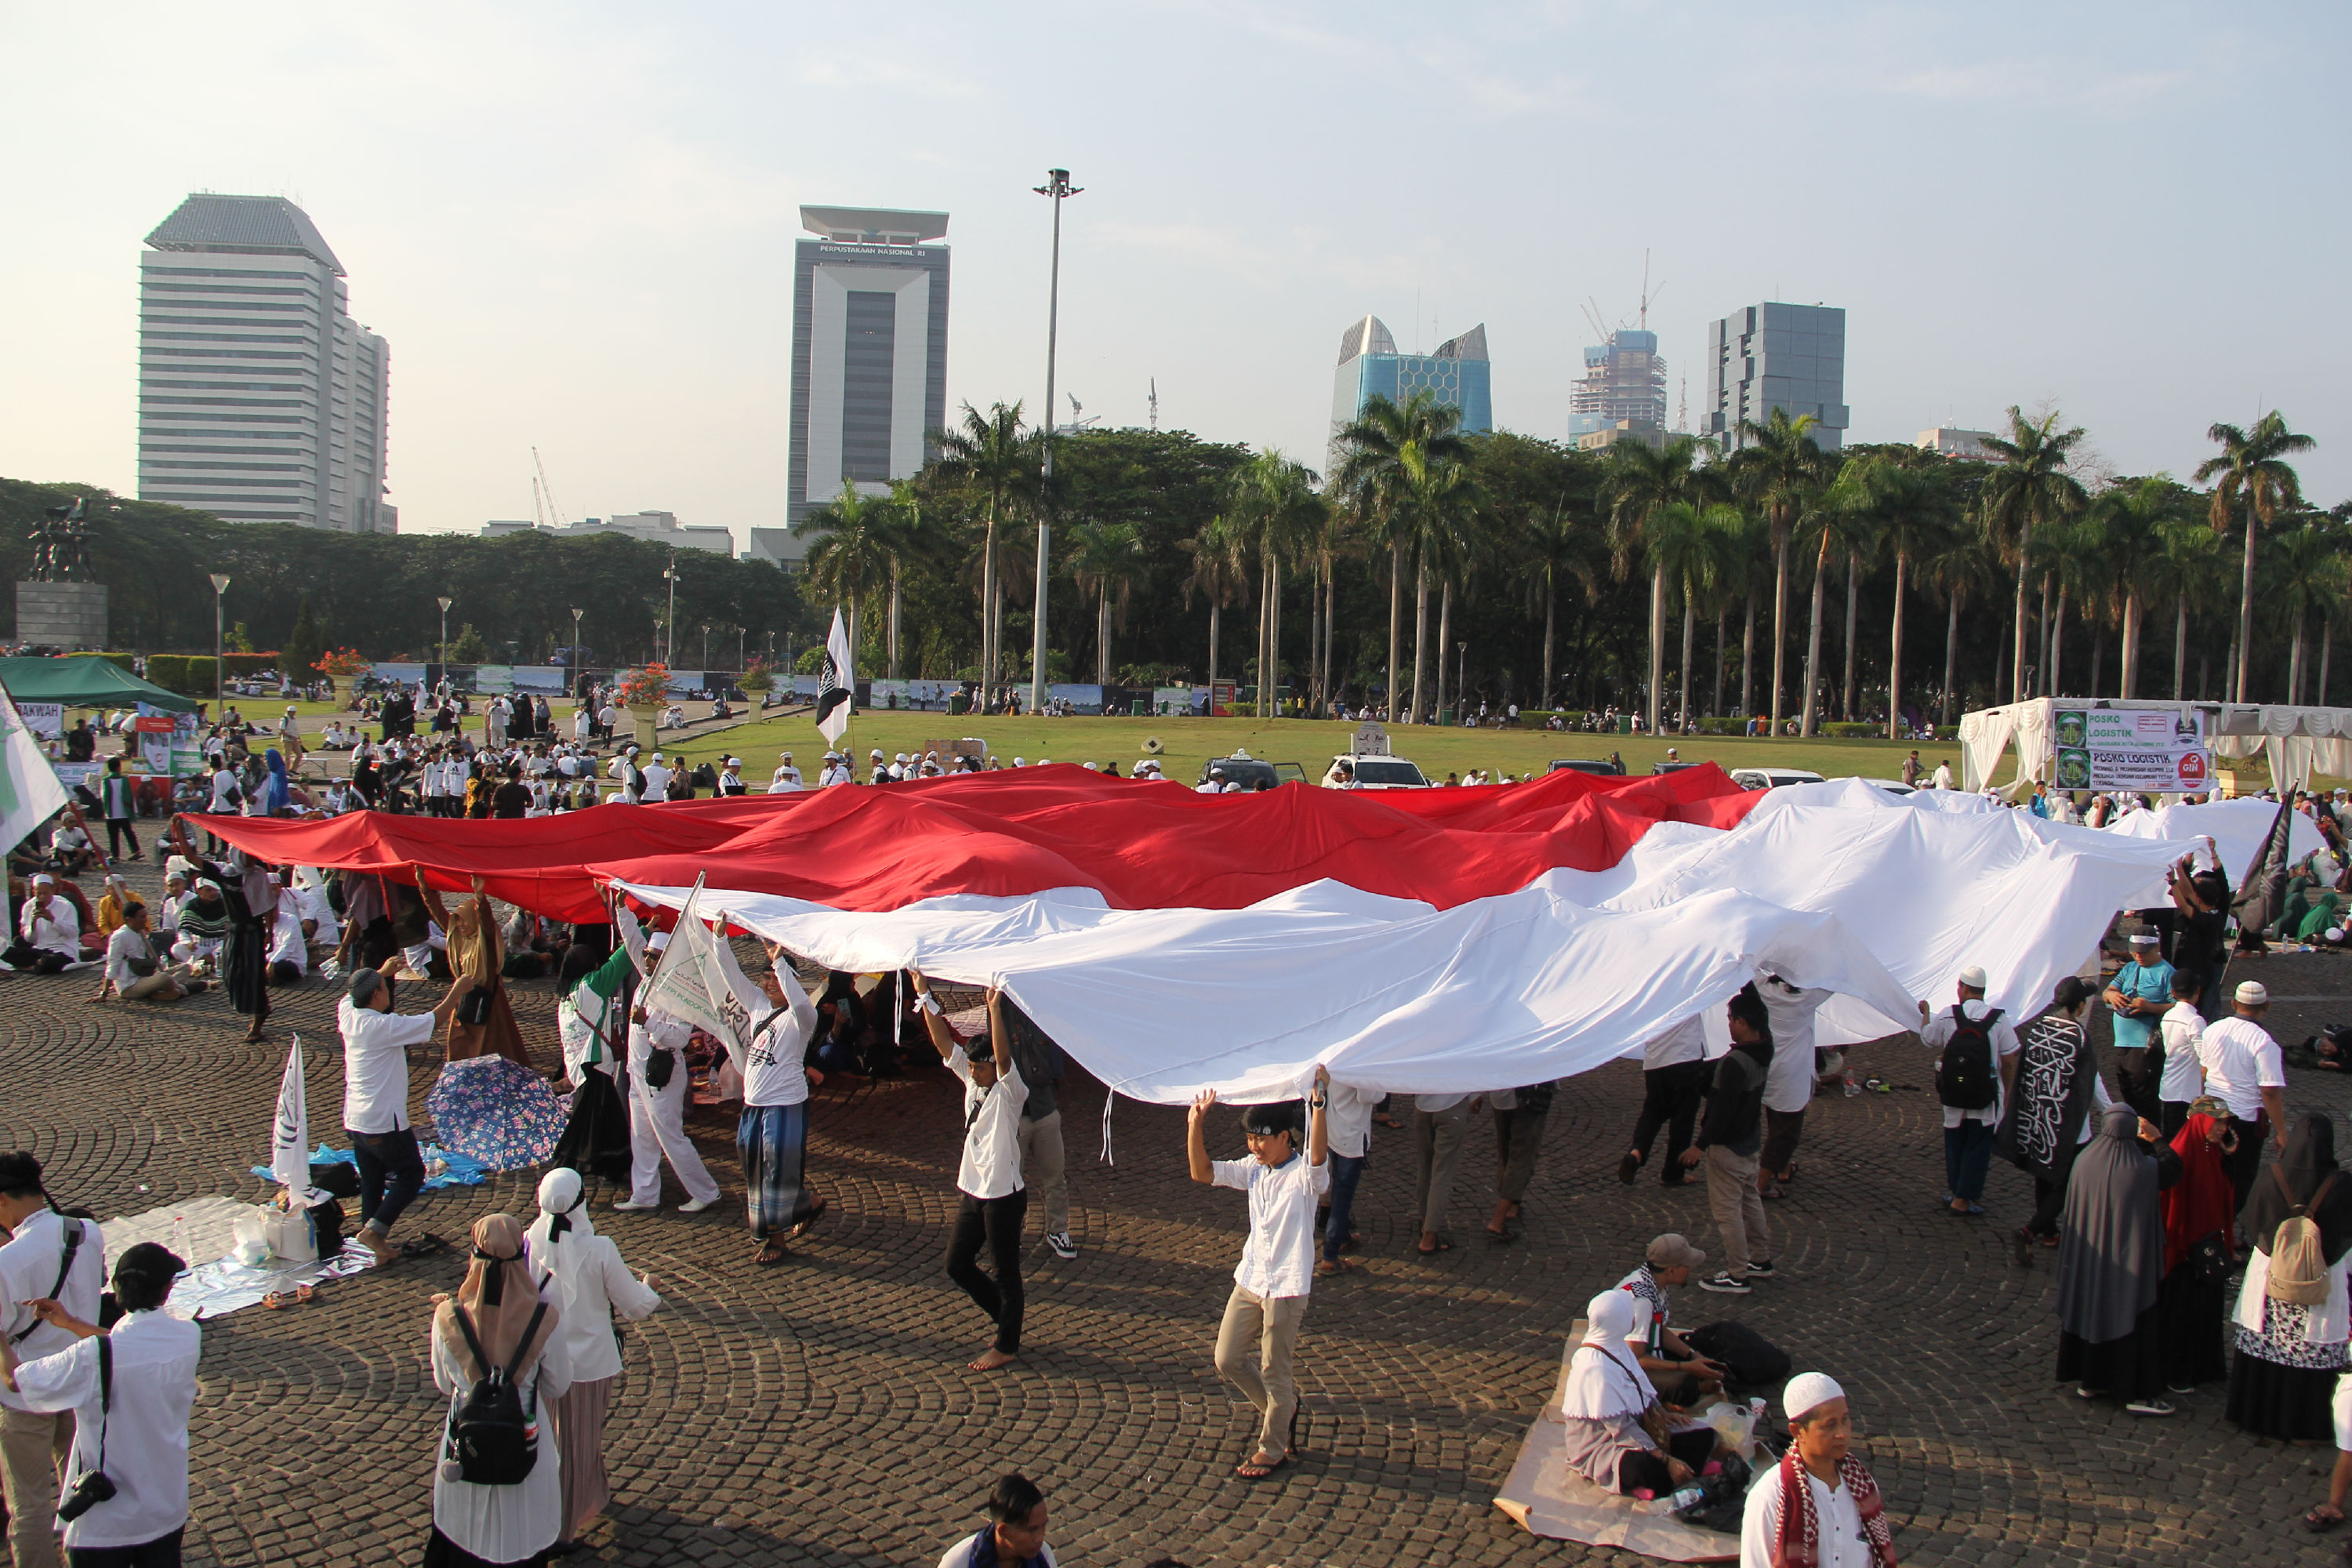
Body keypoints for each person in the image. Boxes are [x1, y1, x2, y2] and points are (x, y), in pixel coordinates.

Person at [0, 1243, 198, 1568]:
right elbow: (129, 1347)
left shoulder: (90, 1357)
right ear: (167, 1291)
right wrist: (73, 1324)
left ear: (115, 1287)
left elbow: (15, 1381)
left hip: (107, 1522)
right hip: (165, 1507)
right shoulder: (188, 1335)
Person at [1190, 1068, 1330, 1481]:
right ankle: (1281, 1410)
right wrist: (1196, 1125)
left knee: (1275, 1368)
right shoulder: (1252, 1169)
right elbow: (1202, 1173)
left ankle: (1273, 1447)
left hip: (1286, 1285)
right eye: (1250, 1139)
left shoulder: (1305, 1175)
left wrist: (1318, 1106)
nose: (1254, 1147)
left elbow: (1319, 1156)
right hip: (1250, 1278)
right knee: (1227, 1358)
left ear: (1286, 1136)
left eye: (1261, 1138)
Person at [524, 1171, 661, 1552]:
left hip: (542, 1363)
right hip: (588, 1366)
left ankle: (592, 1494)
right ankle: (563, 1529)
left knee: (552, 1437)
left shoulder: (528, 1242)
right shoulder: (600, 1248)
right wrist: (650, 1290)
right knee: (580, 1442)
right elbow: (633, 1305)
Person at [426, 1214, 570, 1568]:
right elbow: (558, 1384)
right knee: (523, 1523)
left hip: (467, 1438)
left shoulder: (448, 1315)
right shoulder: (544, 1317)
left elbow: (445, 1385)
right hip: (523, 1441)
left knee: (465, 1526)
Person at [0, 1152, 110, 1568]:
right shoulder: (88, 1230)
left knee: (28, 1505)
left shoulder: (7, 1260)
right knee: (84, 1485)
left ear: (2, 1200)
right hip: (80, 1378)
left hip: (27, 1393)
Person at [914, 977, 1029, 1371]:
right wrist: (923, 995)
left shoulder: (1010, 1090)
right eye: (973, 1067)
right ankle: (1005, 1317)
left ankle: (1007, 1344)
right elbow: (943, 1043)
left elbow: (1003, 1058)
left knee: (1005, 1270)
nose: (974, 1073)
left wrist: (994, 1009)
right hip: (972, 1190)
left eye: (980, 1068)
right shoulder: (971, 1079)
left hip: (1003, 1194)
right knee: (956, 1263)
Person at [339, 960, 474, 1266]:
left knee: (372, 1179)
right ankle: (375, 1232)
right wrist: (457, 992)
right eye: (385, 988)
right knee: (411, 1174)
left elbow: (350, 993)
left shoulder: (348, 1013)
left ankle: (372, 1237)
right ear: (376, 995)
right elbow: (432, 1021)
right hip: (383, 1120)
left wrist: (383, 972)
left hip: (355, 1119)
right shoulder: (382, 1026)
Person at [2228, 1113, 2352, 1441]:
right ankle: (2303, 1425)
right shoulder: (2341, 1184)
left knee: (2267, 1340)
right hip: (2318, 1281)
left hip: (2271, 1279)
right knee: (2311, 1344)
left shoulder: (2272, 1176)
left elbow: (2252, 1220)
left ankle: (2256, 1414)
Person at [2056, 1105, 2184, 1414]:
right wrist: (2157, 1139)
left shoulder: (2084, 1161)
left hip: (2090, 1264)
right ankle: (2137, 1393)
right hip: (2128, 1269)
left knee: (2092, 1311)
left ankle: (2091, 1380)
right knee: (2132, 1318)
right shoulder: (2141, 1169)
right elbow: (2173, 1168)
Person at [1558, 1290, 1738, 1501]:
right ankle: (1660, 1480)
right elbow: (1621, 1429)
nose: (1634, 1318)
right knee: (1642, 1467)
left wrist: (1661, 1412)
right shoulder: (1595, 1368)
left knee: (1704, 1435)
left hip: (1639, 1426)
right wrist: (1667, 1460)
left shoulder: (1616, 1346)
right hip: (1605, 1443)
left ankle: (1670, 1478)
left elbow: (1641, 1385)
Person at [1997, 975, 2113, 1266]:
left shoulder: (2039, 1029)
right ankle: (2031, 1230)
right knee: (2069, 1182)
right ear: (2081, 1006)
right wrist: (2112, 1113)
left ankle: (2049, 1232)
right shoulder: (2079, 1038)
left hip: (2038, 1119)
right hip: (2070, 1127)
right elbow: (2092, 1082)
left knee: (2043, 1174)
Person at [1739, 1373, 1898, 1568]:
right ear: (1798, 1432)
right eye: (1830, 1425)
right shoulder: (1770, 1497)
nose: (1842, 1433)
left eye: (1845, 1420)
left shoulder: (1863, 1487)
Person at [614, 932, 723, 1214]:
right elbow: (632, 942)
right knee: (641, 1137)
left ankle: (706, 1191)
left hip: (663, 1076)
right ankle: (645, 1194)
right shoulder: (647, 981)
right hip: (638, 1074)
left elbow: (680, 1039)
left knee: (670, 1137)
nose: (646, 959)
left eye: (653, 956)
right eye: (647, 954)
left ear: (666, 960)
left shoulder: (677, 992)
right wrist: (621, 908)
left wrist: (648, 1022)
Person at [1680, 984, 1775, 1293]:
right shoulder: (1766, 1046)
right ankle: (1759, 1260)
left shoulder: (1735, 1064)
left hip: (1729, 1147)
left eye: (1732, 1019)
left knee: (1728, 1212)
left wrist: (1699, 1146)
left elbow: (1722, 1111)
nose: (1729, 1024)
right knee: (1750, 1201)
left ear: (1743, 1023)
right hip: (1750, 1140)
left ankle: (1737, 1274)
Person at [735, 946, 825, 1267]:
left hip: (785, 1104)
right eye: (766, 977)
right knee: (753, 1166)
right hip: (754, 1104)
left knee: (775, 1172)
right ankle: (808, 1202)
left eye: (776, 978)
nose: (770, 983)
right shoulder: (759, 1006)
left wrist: (779, 962)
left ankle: (777, 1238)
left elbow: (799, 1000)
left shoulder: (802, 1018)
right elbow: (731, 974)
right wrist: (717, 940)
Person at [1916, 965, 2022, 1217]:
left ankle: (1957, 1191)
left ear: (1962, 988)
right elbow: (2009, 1059)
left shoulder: (1948, 1015)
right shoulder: (1999, 1019)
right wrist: (2007, 1093)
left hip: (1953, 1092)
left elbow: (1927, 1039)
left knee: (1955, 1142)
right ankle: (1962, 1199)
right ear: (1983, 991)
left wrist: (1926, 1013)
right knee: (1978, 1144)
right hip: (1984, 1094)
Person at [2157, 1109, 2236, 1396]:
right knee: (2183, 1317)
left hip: (2207, 1251)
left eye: (2226, 1123)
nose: (2223, 1128)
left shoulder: (2212, 1151)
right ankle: (2177, 1372)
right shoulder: (2183, 1153)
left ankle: (2203, 1368)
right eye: (2218, 1122)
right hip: (2186, 1256)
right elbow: (2174, 1204)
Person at [996, 996, 1076, 1261]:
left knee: (1055, 1177)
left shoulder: (1043, 1007)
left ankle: (1058, 1230)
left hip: (1044, 1109)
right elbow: (1001, 1055)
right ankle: (1010, 1235)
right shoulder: (1002, 1010)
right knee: (1011, 1183)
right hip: (1017, 1115)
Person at [2201, 979, 2288, 1211]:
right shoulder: (2264, 1042)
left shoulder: (2212, 1030)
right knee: (2238, 1179)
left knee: (2210, 1173)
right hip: (2243, 1120)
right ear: (2266, 1006)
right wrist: (2281, 1132)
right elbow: (2269, 1091)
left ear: (2234, 1003)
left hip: (2210, 1112)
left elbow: (2204, 1071)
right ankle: (2223, 1228)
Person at [1617, 1234, 1729, 1406]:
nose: (1691, 1269)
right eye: (1687, 1266)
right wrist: (1686, 1367)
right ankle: (1697, 1389)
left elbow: (1659, 1329)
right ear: (1671, 1270)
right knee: (1684, 1385)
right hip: (1623, 1371)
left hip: (1646, 1354)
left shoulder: (1653, 1284)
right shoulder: (1642, 1302)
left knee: (1705, 1355)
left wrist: (1693, 1355)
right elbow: (1637, 1359)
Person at [1755, 975, 1830, 1200]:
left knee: (1775, 1118)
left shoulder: (1766, 990)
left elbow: (1754, 969)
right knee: (1786, 1132)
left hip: (1771, 1065)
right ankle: (1762, 1183)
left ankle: (1783, 1167)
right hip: (1793, 1071)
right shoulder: (1807, 997)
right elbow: (1834, 978)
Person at [1618, 1015, 1709, 1189]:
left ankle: (1637, 1151)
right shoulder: (1691, 989)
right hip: (1685, 1057)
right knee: (1683, 1119)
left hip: (1655, 1060)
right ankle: (1673, 1174)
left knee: (1653, 1110)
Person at [2104, 933, 2175, 1120]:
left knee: (2144, 1098)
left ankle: (2148, 1143)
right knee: (2127, 1092)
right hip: (2122, 1043)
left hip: (2146, 1046)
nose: (2138, 956)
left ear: (2157, 948)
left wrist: (2150, 1007)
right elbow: (2108, 991)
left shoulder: (2167, 973)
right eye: (2135, 953)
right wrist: (2112, 996)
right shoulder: (2130, 968)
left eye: (2143, 953)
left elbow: (2179, 1006)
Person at [1316, 1076, 1378, 1277]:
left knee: (1337, 1189)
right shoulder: (1359, 1066)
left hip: (1333, 1132)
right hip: (1352, 1138)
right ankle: (1330, 1255)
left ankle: (1341, 1236)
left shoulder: (1334, 1062)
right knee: (1343, 1196)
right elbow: (1372, 1095)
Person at [935, 1474, 1054, 1568]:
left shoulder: (1043, 1555)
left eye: (1043, 1526)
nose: (1040, 1538)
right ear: (1003, 1531)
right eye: (1031, 1530)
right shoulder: (958, 1563)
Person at [94, 902, 203, 1005]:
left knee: (185, 968)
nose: (145, 920)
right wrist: (104, 993)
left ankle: (163, 990)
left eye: (145, 916)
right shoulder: (120, 936)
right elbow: (113, 964)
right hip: (130, 985)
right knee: (164, 978)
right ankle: (180, 988)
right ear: (129, 920)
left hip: (145, 976)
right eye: (141, 917)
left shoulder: (140, 932)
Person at [1488, 1080, 1555, 1243]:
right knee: (1523, 1156)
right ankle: (1499, 1219)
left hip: (1500, 1095)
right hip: (1529, 1096)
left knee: (1506, 1150)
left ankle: (1512, 1203)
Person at [1410, 1091, 1472, 1254]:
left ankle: (1426, 1223)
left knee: (1425, 1166)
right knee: (1442, 1173)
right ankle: (1429, 1237)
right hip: (1452, 1104)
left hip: (1423, 1104)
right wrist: (1475, 1094)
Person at [2154, 969, 2207, 1141]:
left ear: (2173, 993)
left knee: (2171, 1137)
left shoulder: (2168, 1015)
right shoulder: (2194, 1021)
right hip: (2188, 1092)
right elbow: (2204, 1058)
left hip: (2169, 1085)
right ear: (2198, 991)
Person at [98, 758, 140, 866]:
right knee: (129, 832)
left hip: (111, 813)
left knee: (113, 835)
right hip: (124, 811)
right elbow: (130, 795)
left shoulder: (106, 780)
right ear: (119, 767)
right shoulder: (125, 780)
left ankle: (115, 855)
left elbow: (103, 796)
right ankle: (136, 850)